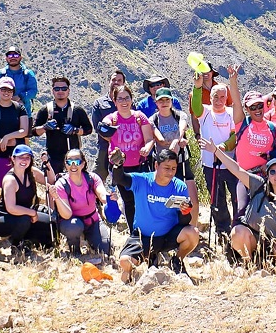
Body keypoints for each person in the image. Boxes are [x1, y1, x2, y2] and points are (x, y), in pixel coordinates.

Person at [203, 140, 276, 267]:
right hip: (252, 237)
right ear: (267, 175)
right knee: (238, 232)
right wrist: (216, 151)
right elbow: (237, 169)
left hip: (274, 242)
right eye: (272, 172)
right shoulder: (259, 185)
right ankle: (248, 264)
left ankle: (270, 265)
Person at [110, 147, 198, 283]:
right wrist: (118, 165)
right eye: (166, 168)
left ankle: (177, 261)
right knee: (125, 262)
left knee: (193, 233)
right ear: (156, 165)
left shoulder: (180, 187)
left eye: (174, 169)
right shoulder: (142, 180)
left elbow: (184, 221)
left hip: (168, 236)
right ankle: (149, 257)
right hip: (142, 236)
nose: (170, 173)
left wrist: (185, 212)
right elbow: (120, 178)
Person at [190, 75, 238, 243]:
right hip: (210, 164)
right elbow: (195, 107)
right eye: (215, 97)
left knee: (236, 197)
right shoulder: (205, 112)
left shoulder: (232, 113)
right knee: (217, 199)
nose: (219, 100)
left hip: (230, 164)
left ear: (227, 98)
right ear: (210, 98)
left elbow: (235, 136)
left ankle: (238, 227)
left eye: (222, 97)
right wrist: (197, 87)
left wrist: (223, 147)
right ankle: (222, 231)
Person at [101, 84, 154, 227]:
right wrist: (104, 127)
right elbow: (103, 128)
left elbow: (149, 139)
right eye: (120, 99)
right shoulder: (112, 119)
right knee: (129, 201)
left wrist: (147, 148)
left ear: (131, 99)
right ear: (114, 101)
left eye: (127, 98)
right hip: (120, 168)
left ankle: (145, 231)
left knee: (141, 200)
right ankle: (134, 233)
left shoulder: (139, 117)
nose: (124, 102)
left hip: (140, 166)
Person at [0, 144, 56, 249]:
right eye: (21, 157)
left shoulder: (31, 172)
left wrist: (47, 164)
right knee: (25, 219)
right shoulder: (10, 180)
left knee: (48, 221)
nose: (24, 160)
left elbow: (51, 180)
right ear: (13, 159)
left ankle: (31, 241)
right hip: (4, 218)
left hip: (25, 214)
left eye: (27, 158)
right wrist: (32, 213)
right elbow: (11, 208)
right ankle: (16, 245)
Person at [50, 149, 113, 257]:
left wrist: (110, 197)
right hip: (72, 222)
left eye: (77, 161)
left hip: (92, 220)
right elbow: (67, 214)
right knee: (74, 226)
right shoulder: (61, 184)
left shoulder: (92, 178)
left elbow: (102, 195)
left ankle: (88, 238)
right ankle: (75, 248)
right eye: (69, 161)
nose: (73, 165)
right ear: (65, 164)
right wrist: (56, 198)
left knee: (105, 250)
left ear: (83, 164)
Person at [148, 87, 198, 225]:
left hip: (181, 161)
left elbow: (182, 128)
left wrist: (177, 140)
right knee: (166, 196)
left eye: (167, 99)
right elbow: (160, 139)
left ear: (171, 101)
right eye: (161, 100)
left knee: (186, 195)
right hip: (163, 164)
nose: (164, 103)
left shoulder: (179, 115)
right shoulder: (152, 120)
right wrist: (176, 141)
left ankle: (189, 225)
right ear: (156, 102)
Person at [33, 76, 93, 174]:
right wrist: (45, 127)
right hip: (53, 157)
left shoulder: (77, 110)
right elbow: (33, 131)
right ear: (53, 91)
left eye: (64, 88)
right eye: (57, 88)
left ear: (68, 91)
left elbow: (88, 129)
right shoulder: (46, 110)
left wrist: (75, 130)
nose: (60, 91)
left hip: (73, 157)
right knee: (53, 186)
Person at [0, 77, 31, 188]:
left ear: (13, 92)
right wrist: (1, 142)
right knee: (2, 186)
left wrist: (7, 137)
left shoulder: (20, 108)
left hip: (18, 155)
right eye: (3, 89)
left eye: (9, 90)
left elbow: (24, 130)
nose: (6, 92)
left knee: (21, 185)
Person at [90, 70, 125, 180]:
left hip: (125, 148)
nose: (116, 82)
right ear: (109, 82)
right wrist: (113, 141)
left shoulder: (128, 103)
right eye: (113, 80)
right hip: (104, 148)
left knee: (123, 180)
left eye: (119, 80)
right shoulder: (99, 103)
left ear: (123, 83)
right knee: (97, 179)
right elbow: (98, 128)